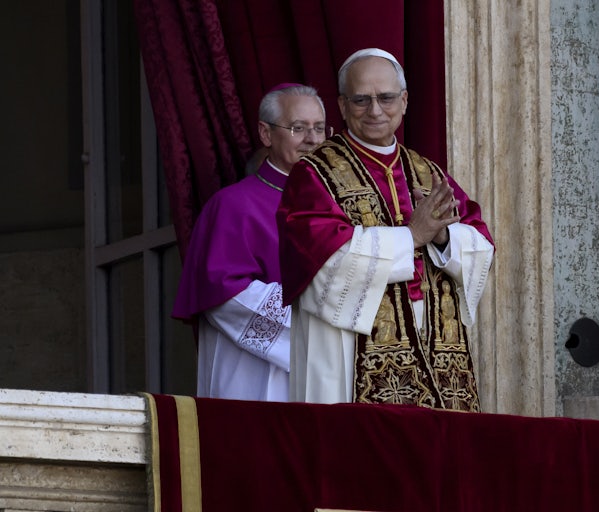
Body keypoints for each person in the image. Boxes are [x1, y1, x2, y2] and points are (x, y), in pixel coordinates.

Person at [277, 49, 494, 412]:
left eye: (386, 98)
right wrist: (412, 236)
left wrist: (442, 237)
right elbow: (323, 261)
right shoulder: (314, 173)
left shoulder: (429, 172)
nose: (375, 110)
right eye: (361, 99)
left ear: (404, 101)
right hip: (349, 348)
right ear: (343, 106)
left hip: (433, 347)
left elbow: (482, 245)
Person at [172, 83, 327, 401]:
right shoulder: (232, 205)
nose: (312, 140)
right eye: (299, 128)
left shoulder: (339, 204)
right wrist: (320, 321)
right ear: (266, 134)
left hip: (328, 378)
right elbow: (224, 295)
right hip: (255, 378)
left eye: (320, 129)